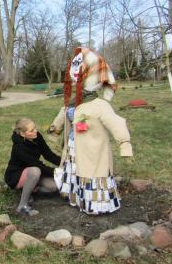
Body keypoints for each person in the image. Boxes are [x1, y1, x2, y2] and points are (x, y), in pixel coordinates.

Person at [53, 47, 133, 215]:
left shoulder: (100, 105)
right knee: (76, 171)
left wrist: (124, 144)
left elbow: (116, 123)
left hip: (93, 149)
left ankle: (96, 205)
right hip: (74, 147)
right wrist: (55, 129)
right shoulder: (74, 102)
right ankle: (77, 198)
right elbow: (64, 113)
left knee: (91, 173)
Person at [4, 118, 61, 216]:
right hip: (16, 176)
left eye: (35, 128)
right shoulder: (19, 148)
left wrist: (64, 164)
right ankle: (22, 206)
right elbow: (38, 166)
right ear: (23, 134)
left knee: (54, 187)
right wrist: (58, 172)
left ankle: (27, 190)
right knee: (36, 171)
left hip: (33, 172)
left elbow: (48, 154)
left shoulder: (37, 136)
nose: (35, 131)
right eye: (31, 130)